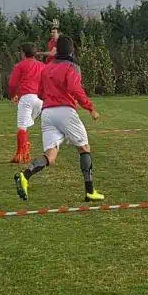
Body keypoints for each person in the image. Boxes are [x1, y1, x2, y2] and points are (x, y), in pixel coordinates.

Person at [14, 36, 103, 202]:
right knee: (84, 148)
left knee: (50, 155)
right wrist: (90, 108)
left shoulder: (47, 68)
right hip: (64, 111)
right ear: (71, 50)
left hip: (47, 113)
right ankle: (90, 191)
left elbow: (40, 92)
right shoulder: (71, 66)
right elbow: (75, 88)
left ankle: (25, 175)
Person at [8, 43, 45, 164]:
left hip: (27, 98)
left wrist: (13, 95)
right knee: (26, 126)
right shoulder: (42, 66)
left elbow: (13, 84)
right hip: (40, 100)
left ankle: (20, 154)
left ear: (23, 53)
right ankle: (26, 150)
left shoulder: (20, 65)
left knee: (22, 128)